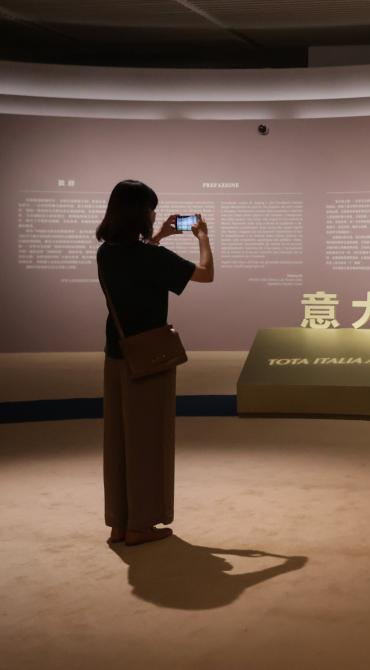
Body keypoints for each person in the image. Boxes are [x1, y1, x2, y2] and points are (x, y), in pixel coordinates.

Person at [95, 179, 214, 546]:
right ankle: (140, 526)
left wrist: (159, 237)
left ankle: (119, 523)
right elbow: (205, 273)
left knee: (118, 441)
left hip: (117, 355)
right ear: (140, 214)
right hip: (150, 358)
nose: (153, 215)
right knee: (148, 442)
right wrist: (203, 238)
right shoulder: (152, 259)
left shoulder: (106, 253)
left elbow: (135, 261)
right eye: (151, 210)